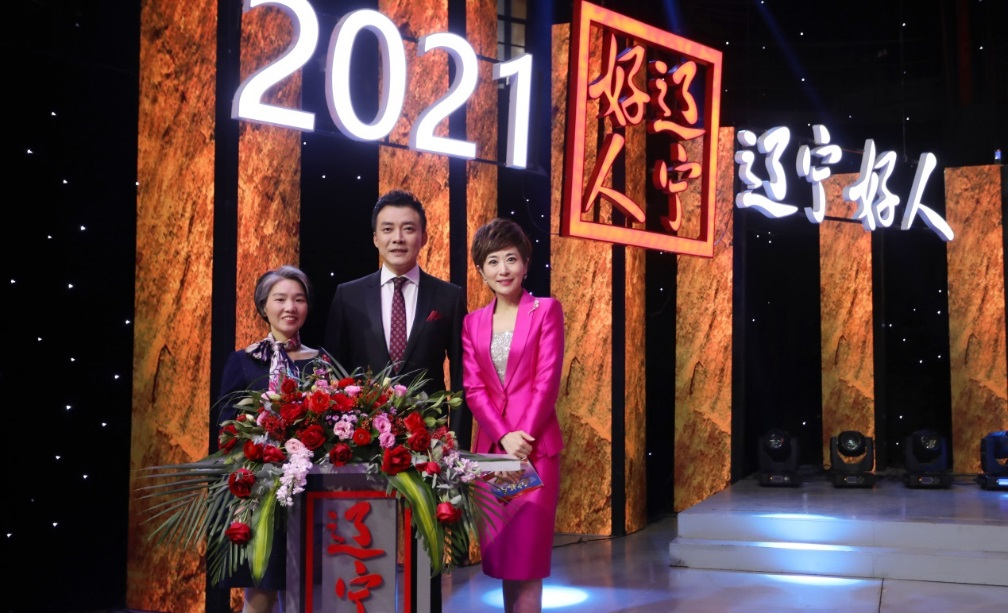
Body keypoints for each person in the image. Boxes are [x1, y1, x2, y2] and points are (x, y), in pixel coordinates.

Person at [461, 218, 565, 613]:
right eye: (492, 261)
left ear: (525, 264)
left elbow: (547, 381)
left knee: (528, 559)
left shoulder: (545, 310)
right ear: (481, 270)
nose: (503, 270)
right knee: (506, 560)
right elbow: (474, 389)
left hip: (534, 451)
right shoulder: (472, 322)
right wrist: (503, 436)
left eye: (511, 259)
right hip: (493, 453)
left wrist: (521, 438)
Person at [215, 265, 327, 613]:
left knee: (311, 590)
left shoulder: (321, 362)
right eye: (280, 299)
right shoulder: (244, 361)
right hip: (261, 491)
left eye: (299, 299)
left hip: (312, 489)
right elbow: (226, 425)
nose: (290, 307)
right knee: (261, 589)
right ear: (263, 306)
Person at [323, 188, 470, 447]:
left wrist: (457, 442)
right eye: (388, 229)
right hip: (363, 439)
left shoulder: (449, 296)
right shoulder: (348, 295)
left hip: (429, 440)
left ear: (423, 237)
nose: (398, 238)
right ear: (375, 238)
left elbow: (462, 376)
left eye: (408, 229)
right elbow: (333, 372)